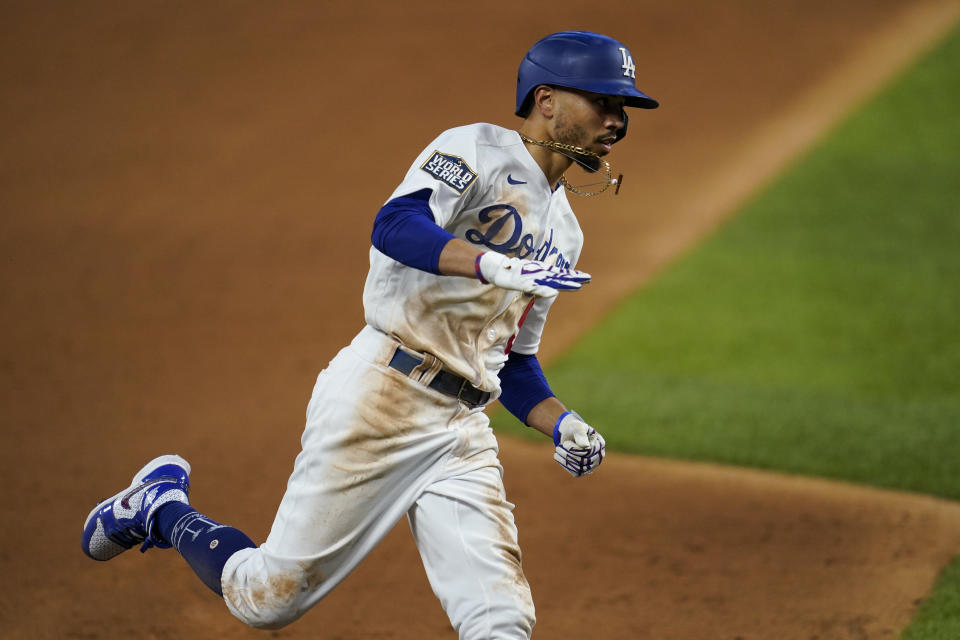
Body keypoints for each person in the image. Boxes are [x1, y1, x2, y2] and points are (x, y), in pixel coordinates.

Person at [81, 30, 658, 639]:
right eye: (604, 101)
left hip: (460, 432)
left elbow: (513, 363)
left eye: (622, 109)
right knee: (266, 600)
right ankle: (162, 507)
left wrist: (562, 422)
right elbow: (396, 224)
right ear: (546, 98)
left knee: (501, 621)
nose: (617, 119)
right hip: (383, 396)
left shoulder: (564, 233)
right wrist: (490, 262)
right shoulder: (474, 150)